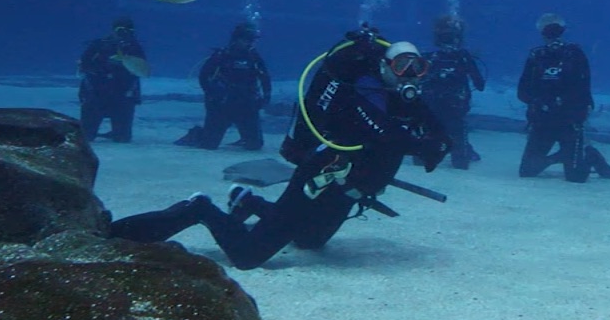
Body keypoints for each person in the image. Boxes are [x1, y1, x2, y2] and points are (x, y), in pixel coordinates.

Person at [111, 26, 451, 270]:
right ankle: (199, 208)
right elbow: (389, 137)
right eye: (402, 67)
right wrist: (424, 145)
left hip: (346, 192)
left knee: (310, 241)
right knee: (247, 256)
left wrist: (438, 141)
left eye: (417, 68)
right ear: (383, 67)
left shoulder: (400, 98)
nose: (410, 75)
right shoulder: (358, 95)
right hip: (318, 179)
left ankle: (250, 202)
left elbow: (434, 130)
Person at [516, 13, 610, 182]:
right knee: (527, 171)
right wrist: (540, 103)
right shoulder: (536, 56)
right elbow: (523, 91)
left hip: (568, 123)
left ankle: (589, 155)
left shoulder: (574, 54)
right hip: (543, 121)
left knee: (576, 178)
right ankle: (562, 155)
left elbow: (583, 88)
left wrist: (575, 113)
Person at [177, 22, 273, 150]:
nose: (249, 43)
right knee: (209, 145)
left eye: (251, 40)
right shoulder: (221, 55)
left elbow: (265, 77)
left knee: (255, 146)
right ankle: (197, 134)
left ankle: (246, 136)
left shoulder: (254, 57)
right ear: (236, 39)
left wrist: (266, 97)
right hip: (222, 105)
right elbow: (203, 76)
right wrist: (211, 94)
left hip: (247, 104)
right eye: (246, 40)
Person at [423, 15, 486, 169]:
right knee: (455, 143)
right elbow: (480, 84)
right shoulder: (462, 58)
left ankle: (454, 150)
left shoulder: (434, 57)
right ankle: (459, 151)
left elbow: (479, 84)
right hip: (452, 108)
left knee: (434, 136)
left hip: (441, 109)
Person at [78, 16, 145, 143]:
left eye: (129, 31)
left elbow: (141, 69)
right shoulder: (98, 45)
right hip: (96, 93)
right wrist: (103, 67)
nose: (124, 34)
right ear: (113, 30)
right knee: (86, 136)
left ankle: (116, 132)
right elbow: (84, 65)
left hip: (124, 95)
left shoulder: (135, 48)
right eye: (120, 30)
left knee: (122, 138)